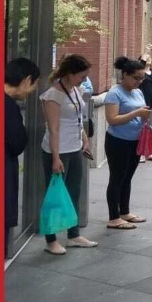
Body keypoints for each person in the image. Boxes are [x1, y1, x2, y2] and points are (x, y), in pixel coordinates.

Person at [38, 55, 99, 254]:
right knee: (55, 195)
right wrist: (55, 158)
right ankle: (51, 240)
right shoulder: (52, 96)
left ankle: (73, 235)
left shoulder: (76, 90)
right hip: (58, 150)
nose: (84, 80)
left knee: (74, 191)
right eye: (81, 76)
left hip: (74, 147)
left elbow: (78, 118)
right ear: (69, 74)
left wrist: (84, 139)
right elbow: (53, 128)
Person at [102, 56, 152, 230]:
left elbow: (140, 111)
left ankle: (124, 211)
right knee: (117, 177)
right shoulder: (114, 93)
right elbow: (112, 119)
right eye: (136, 78)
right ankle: (113, 217)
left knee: (127, 177)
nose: (139, 82)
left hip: (135, 140)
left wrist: (145, 116)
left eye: (141, 78)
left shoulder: (137, 92)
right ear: (124, 75)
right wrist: (137, 113)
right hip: (118, 141)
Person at [3, 58, 39, 255]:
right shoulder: (7, 106)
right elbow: (17, 142)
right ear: (26, 80)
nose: (32, 90)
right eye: (34, 85)